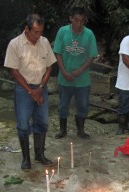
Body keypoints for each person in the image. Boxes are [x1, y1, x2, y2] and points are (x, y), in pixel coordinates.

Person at [4, 14, 57, 171]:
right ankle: (26, 159)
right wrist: (30, 91)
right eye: (35, 31)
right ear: (26, 29)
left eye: (40, 31)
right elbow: (14, 71)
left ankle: (39, 155)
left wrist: (40, 88)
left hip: (41, 87)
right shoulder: (15, 44)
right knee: (23, 125)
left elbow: (49, 67)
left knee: (42, 122)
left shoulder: (44, 42)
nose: (38, 35)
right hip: (23, 89)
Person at [53, 6, 98, 139]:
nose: (79, 24)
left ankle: (81, 130)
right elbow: (58, 52)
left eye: (82, 21)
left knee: (83, 105)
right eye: (76, 20)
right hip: (64, 77)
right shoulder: (62, 31)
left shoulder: (89, 34)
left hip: (82, 79)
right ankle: (63, 130)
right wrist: (64, 71)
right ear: (71, 19)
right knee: (63, 105)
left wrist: (80, 70)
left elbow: (92, 55)